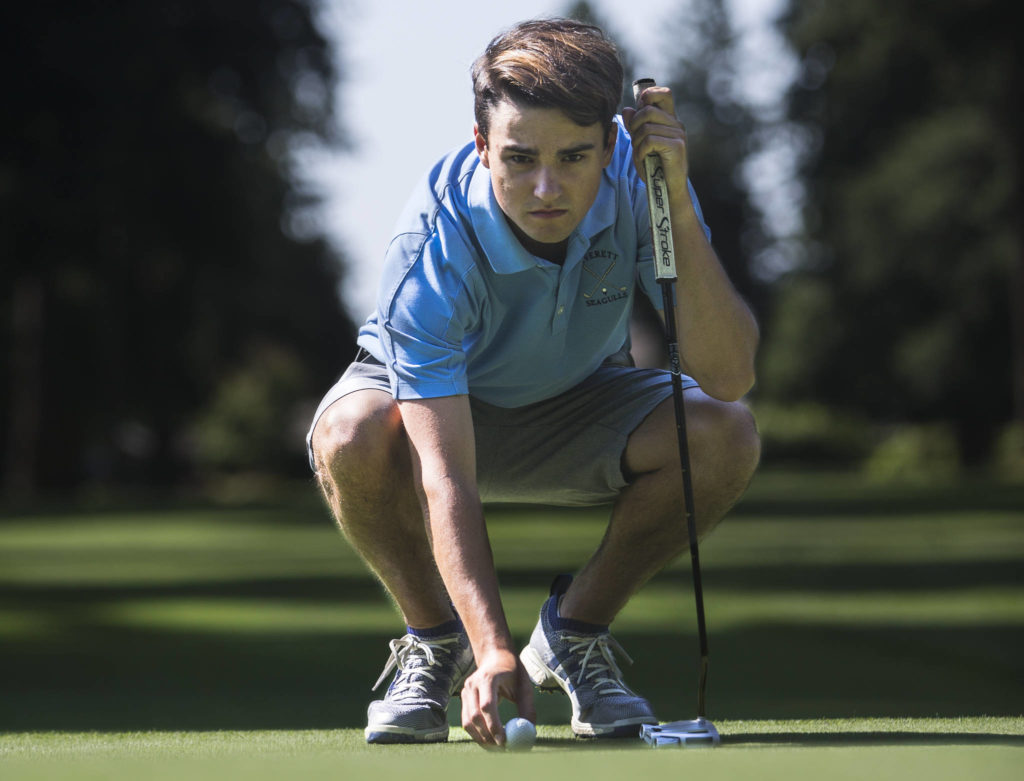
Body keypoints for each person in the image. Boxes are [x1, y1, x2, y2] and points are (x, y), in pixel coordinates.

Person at [306, 18, 760, 748]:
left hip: (578, 399)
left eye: (574, 156)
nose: (546, 188)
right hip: (432, 415)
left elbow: (730, 375)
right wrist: (491, 647)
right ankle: (434, 642)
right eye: (519, 158)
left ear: (611, 145)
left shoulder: (642, 187)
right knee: (348, 434)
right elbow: (446, 476)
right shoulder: (432, 247)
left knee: (723, 432)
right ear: (482, 145)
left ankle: (573, 634)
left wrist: (673, 201)